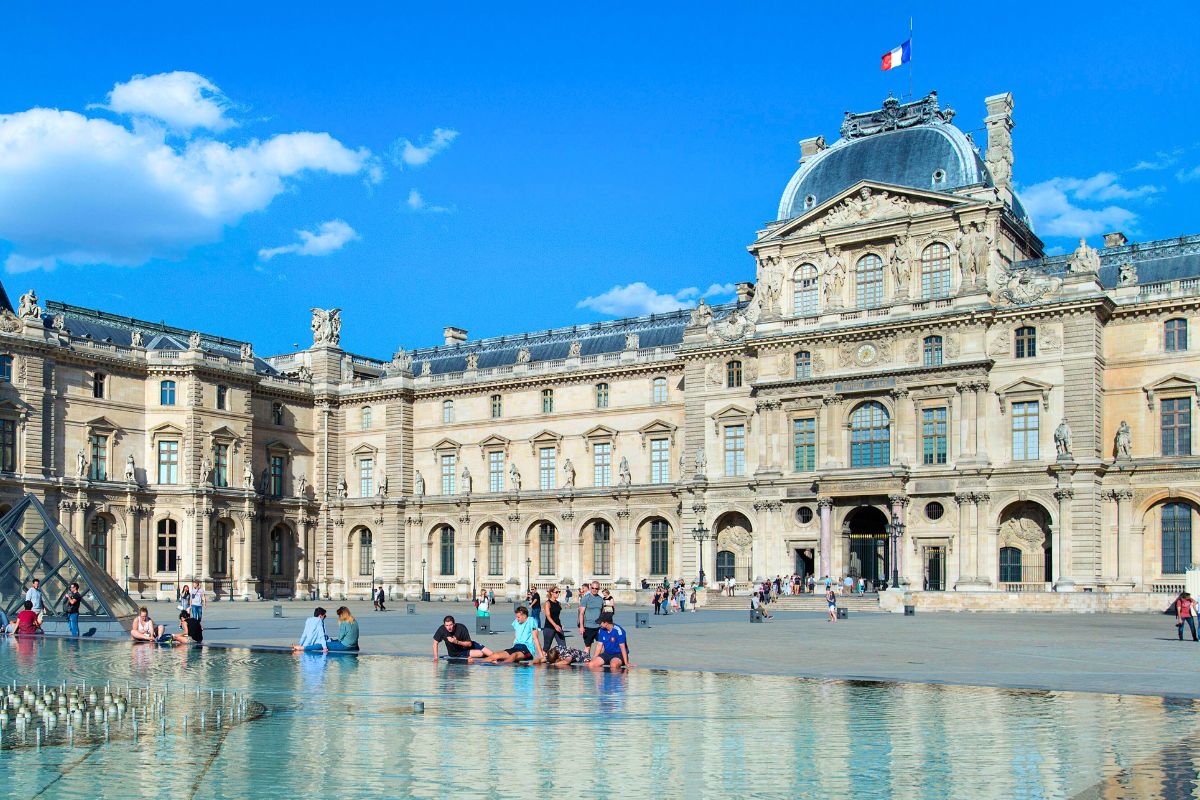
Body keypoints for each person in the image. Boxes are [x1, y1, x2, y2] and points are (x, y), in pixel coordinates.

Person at [578, 581, 605, 658]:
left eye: (596, 588)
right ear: (590, 588)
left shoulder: (600, 599)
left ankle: (599, 660)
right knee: (588, 646)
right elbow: (581, 613)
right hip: (588, 626)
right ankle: (586, 660)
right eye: (593, 588)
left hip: (599, 626)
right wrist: (581, 626)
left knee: (602, 645)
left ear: (599, 589)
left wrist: (603, 623)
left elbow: (602, 612)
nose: (594, 590)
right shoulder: (585, 598)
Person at [542, 586, 566, 652]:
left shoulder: (558, 603)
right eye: (556, 592)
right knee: (546, 647)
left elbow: (556, 616)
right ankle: (543, 657)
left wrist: (559, 625)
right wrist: (555, 625)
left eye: (559, 592)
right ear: (551, 593)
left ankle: (562, 657)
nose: (558, 593)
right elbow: (548, 616)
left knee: (563, 647)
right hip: (549, 627)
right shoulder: (547, 603)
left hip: (558, 627)